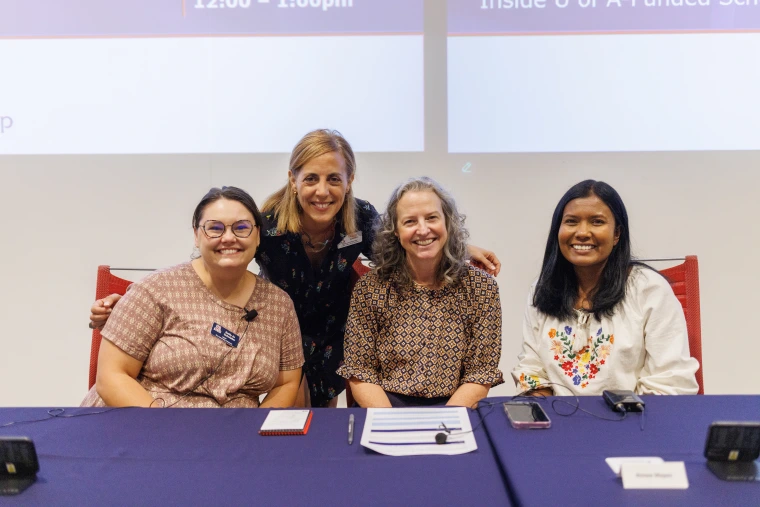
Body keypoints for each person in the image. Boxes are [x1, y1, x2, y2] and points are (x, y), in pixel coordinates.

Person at [89, 129, 502, 407]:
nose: (322, 191)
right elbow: (214, 261)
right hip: (271, 335)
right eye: (311, 179)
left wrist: (463, 248)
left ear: (350, 179)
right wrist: (128, 301)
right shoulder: (264, 223)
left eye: (334, 179)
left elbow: (410, 240)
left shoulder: (364, 218)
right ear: (292, 179)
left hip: (338, 337)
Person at [82, 187, 303, 408]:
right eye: (214, 228)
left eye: (241, 228)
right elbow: (112, 376)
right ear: (197, 236)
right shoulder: (155, 289)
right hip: (147, 428)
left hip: (235, 437)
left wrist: (255, 433)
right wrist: (164, 430)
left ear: (257, 236)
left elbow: (286, 383)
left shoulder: (278, 305)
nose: (228, 238)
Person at [512, 180, 699, 396]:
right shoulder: (542, 289)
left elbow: (671, 384)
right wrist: (546, 418)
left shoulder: (649, 290)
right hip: (559, 423)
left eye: (597, 222)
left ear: (617, 234)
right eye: (571, 222)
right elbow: (532, 371)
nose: (582, 232)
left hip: (632, 423)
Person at [337, 177, 504, 408]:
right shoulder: (370, 288)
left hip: (455, 407)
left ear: (448, 221)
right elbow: (360, 371)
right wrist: (393, 427)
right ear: (395, 230)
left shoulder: (481, 288)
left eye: (432, 218)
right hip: (383, 406)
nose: (423, 229)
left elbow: (480, 372)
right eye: (410, 221)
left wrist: (445, 426)